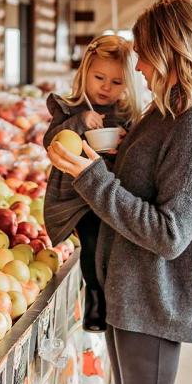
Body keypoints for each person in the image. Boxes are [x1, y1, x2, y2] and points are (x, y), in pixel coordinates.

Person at [47, 0, 192, 384]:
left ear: (170, 51)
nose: (138, 67)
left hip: (154, 295)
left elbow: (170, 234)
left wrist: (89, 176)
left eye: (144, 54)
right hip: (133, 289)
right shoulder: (168, 110)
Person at [41, 34, 142, 333]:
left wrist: (123, 147)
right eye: (99, 77)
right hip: (74, 195)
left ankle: (113, 299)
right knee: (91, 241)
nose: (106, 88)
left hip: (109, 193)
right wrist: (80, 122)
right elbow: (50, 142)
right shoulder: (69, 108)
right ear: (85, 72)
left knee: (113, 247)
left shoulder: (126, 115)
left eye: (117, 82)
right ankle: (95, 303)